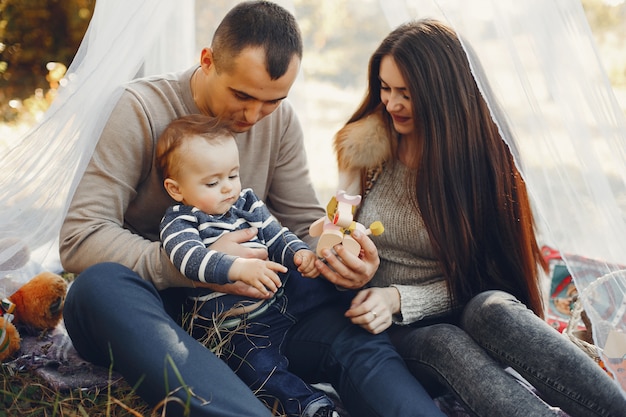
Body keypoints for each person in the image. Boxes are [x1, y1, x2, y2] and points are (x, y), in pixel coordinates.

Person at [59, 2, 445, 417]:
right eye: (241, 95)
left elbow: (300, 224)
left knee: (348, 326)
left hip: (257, 319)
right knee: (97, 286)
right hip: (159, 313)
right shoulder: (138, 108)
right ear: (207, 61)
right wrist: (201, 265)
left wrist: (336, 259)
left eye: (272, 101)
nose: (253, 115)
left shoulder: (280, 123)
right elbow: (81, 237)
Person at [333, 19, 626, 417]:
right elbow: (336, 226)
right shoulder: (367, 151)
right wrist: (352, 263)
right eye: (384, 88)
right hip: (395, 330)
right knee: (444, 342)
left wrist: (403, 297)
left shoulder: (479, 162)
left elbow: (490, 277)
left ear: (444, 95)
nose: (391, 103)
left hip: (465, 306)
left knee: (494, 308)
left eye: (407, 93)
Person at [156, 114, 345, 417]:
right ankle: (311, 405)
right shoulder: (181, 220)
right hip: (239, 326)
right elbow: (188, 259)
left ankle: (367, 304)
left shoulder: (246, 202)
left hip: (282, 295)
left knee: (326, 282)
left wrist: (298, 254)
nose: (228, 188)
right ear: (177, 189)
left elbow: (276, 234)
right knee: (260, 369)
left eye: (233, 175)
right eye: (213, 182)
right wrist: (236, 268)